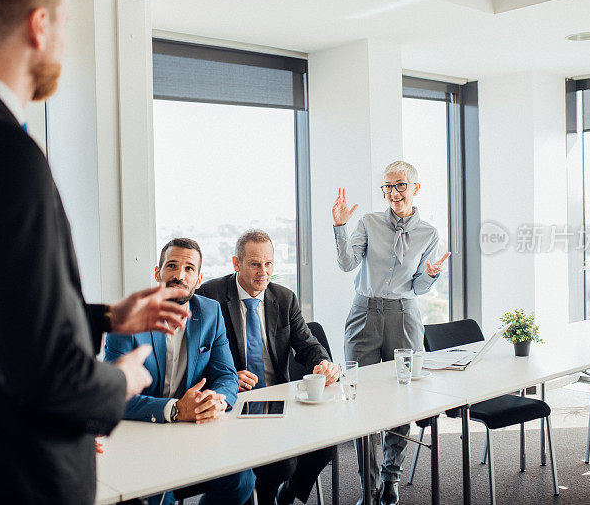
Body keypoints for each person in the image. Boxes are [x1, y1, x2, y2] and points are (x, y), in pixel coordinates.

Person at [0, 0, 191, 503]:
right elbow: (42, 374)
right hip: (9, 478)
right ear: (39, 25)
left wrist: (106, 318)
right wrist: (121, 381)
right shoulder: (1, 150)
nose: (62, 41)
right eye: (63, 25)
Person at [332, 161, 450, 505]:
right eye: (387, 187)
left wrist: (430, 274)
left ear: (415, 188)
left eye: (400, 186)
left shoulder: (429, 233)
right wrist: (339, 226)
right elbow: (346, 264)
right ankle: (367, 485)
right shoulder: (369, 222)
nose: (393, 193)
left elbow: (420, 286)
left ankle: (390, 478)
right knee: (358, 395)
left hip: (404, 314)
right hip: (364, 312)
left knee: (403, 396)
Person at [105, 238, 255, 505]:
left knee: (242, 480)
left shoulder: (210, 312)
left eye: (188, 269)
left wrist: (216, 401)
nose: (179, 275)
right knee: (158, 494)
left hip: (195, 431)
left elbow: (227, 375)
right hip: (143, 433)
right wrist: (174, 409)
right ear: (157, 272)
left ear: (198, 279)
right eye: (172, 266)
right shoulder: (129, 316)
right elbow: (112, 394)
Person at [197, 230, 339, 505]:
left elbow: (307, 344)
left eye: (269, 264)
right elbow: (197, 355)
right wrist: (225, 377)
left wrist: (323, 363)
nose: (264, 272)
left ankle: (286, 495)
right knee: (280, 465)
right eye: (255, 264)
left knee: (324, 448)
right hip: (236, 402)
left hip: (279, 399)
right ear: (236, 263)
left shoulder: (284, 298)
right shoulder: (211, 296)